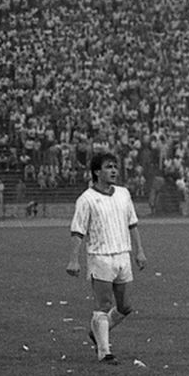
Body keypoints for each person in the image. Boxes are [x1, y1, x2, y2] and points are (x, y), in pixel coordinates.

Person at [66, 152, 148, 364]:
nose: (114, 170)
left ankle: (97, 332)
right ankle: (105, 352)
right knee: (103, 305)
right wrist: (73, 259)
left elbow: (132, 224)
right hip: (100, 257)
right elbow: (78, 231)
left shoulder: (123, 194)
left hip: (123, 256)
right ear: (96, 172)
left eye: (115, 166)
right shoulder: (86, 199)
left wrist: (139, 251)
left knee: (125, 307)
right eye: (108, 167)